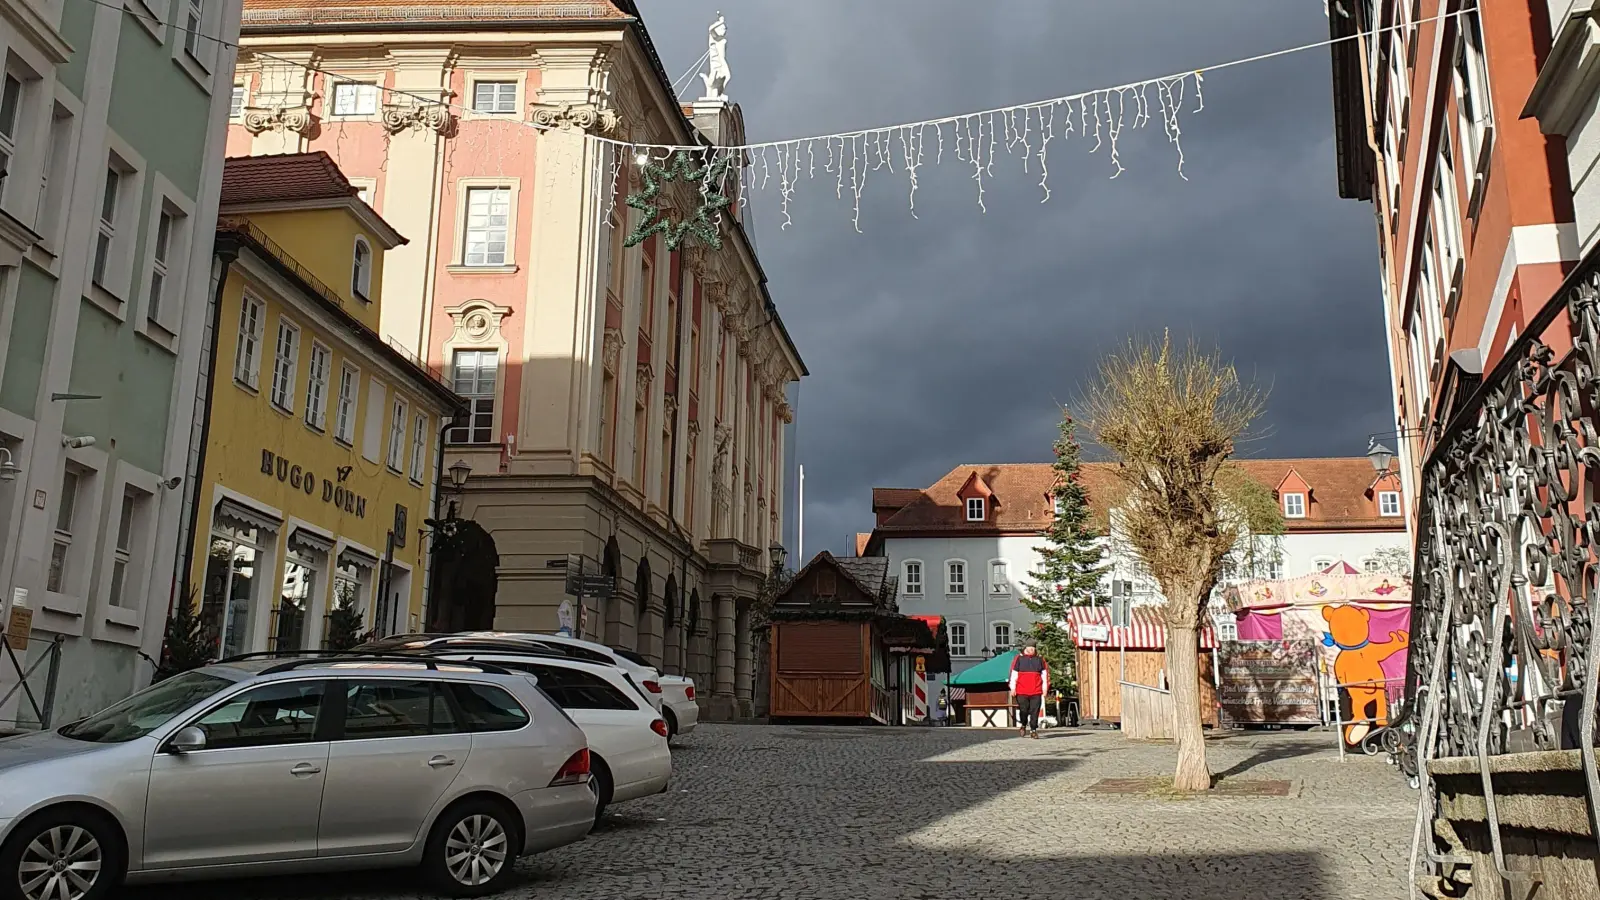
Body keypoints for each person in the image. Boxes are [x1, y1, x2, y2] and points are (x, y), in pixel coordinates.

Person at [1009, 642, 1049, 738]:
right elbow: (1013, 674)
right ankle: (1023, 725)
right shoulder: (1019, 659)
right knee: (1024, 710)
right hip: (1022, 690)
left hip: (1036, 690)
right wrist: (1012, 687)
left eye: (1033, 648)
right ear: (1025, 648)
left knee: (1035, 711)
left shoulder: (1040, 659)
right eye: (1029, 648)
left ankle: (1033, 730)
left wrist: (1045, 688)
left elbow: (1045, 675)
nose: (1031, 650)